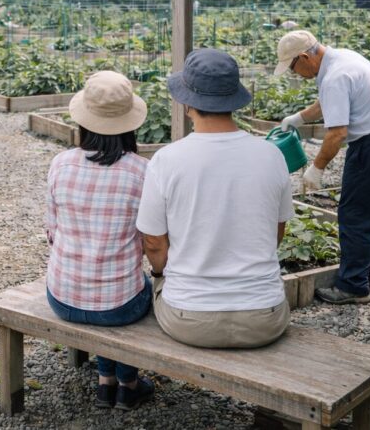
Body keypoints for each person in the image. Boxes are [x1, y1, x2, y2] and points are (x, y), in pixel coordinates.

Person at [137, 49, 292, 349]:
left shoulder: (166, 160)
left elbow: (153, 242)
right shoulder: (272, 155)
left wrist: (159, 274)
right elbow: (276, 232)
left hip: (188, 318)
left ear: (186, 104)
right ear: (233, 99)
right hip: (264, 317)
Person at [45, 70, 155, 411]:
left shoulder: (60, 164)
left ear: (84, 120)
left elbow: (52, 234)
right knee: (138, 288)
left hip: (62, 298)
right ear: (130, 124)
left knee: (112, 293)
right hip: (119, 306)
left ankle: (106, 380)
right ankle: (127, 385)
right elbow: (152, 241)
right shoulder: (142, 171)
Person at [275, 30, 370, 305]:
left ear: (304, 57)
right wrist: (299, 118)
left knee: (354, 215)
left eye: (293, 68)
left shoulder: (334, 77)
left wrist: (317, 168)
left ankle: (353, 287)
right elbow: (328, 101)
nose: (295, 74)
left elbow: (337, 134)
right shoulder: (343, 58)